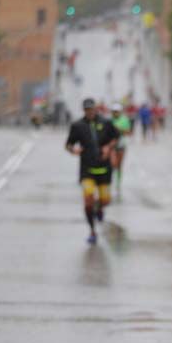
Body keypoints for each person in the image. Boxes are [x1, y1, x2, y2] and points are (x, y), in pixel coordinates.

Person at [65, 98, 119, 244]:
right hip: (87, 170)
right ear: (83, 110)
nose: (90, 112)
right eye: (87, 110)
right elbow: (68, 144)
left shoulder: (106, 123)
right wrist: (73, 150)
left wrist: (109, 148)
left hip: (104, 169)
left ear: (96, 109)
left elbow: (116, 138)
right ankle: (92, 231)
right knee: (88, 201)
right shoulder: (78, 125)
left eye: (92, 109)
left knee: (105, 200)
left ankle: (100, 209)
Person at [109, 103, 133, 195]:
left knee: (119, 165)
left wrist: (119, 129)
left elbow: (129, 132)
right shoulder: (109, 120)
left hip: (121, 145)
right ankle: (109, 181)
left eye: (117, 111)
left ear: (120, 112)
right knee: (112, 164)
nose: (115, 113)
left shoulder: (124, 120)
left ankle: (118, 183)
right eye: (114, 111)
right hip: (111, 146)